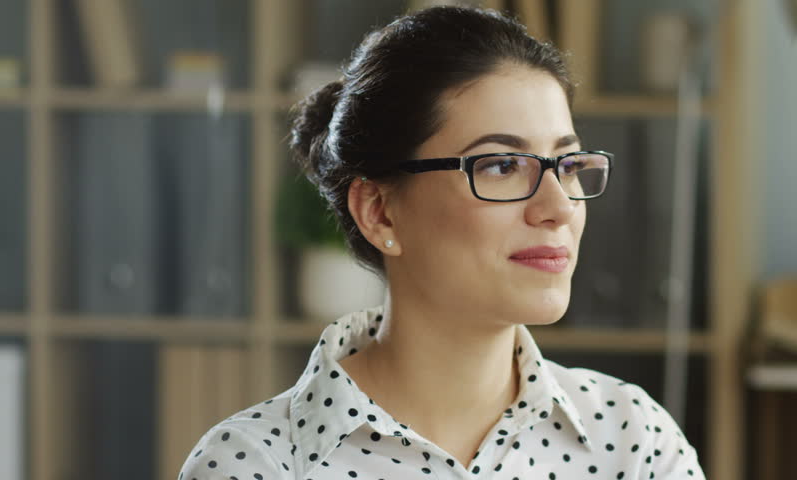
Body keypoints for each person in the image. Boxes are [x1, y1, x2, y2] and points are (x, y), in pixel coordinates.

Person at [179, 6, 705, 479]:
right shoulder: (254, 464)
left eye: (566, 165)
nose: (560, 207)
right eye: (501, 165)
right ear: (379, 211)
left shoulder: (635, 443)